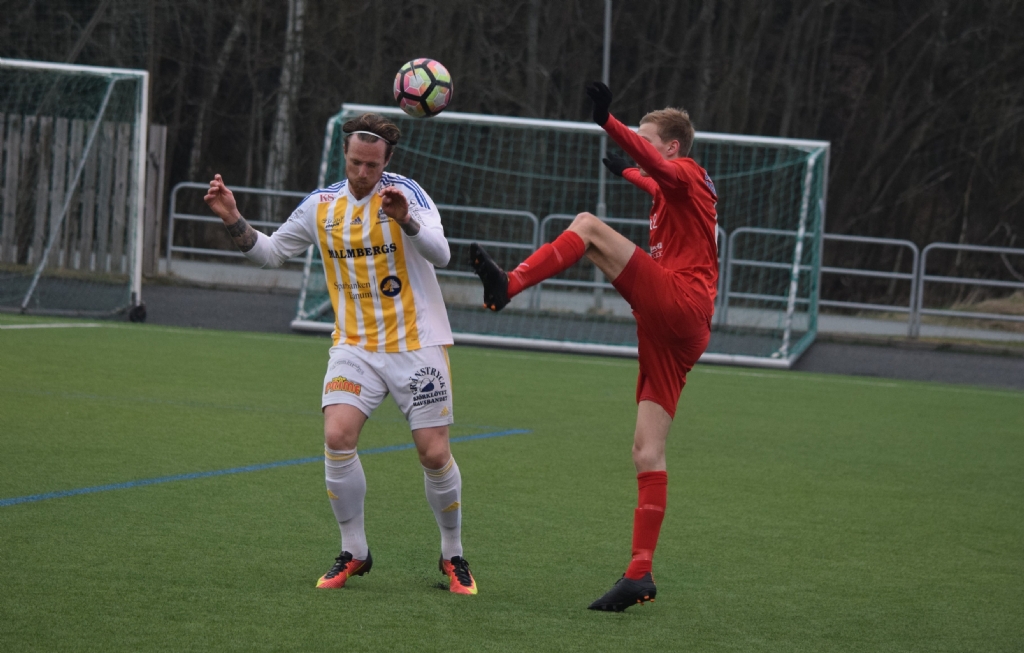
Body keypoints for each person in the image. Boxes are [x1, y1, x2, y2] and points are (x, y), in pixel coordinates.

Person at [204, 113, 477, 595]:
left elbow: (442, 254)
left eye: (372, 165)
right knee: (337, 435)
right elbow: (270, 253)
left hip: (417, 344)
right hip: (355, 345)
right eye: (355, 163)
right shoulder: (321, 205)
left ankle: (453, 554)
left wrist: (406, 220)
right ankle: (355, 551)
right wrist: (232, 217)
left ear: (387, 161)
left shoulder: (408, 194)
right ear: (344, 156)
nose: (363, 173)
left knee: (434, 453)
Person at [470, 83, 717, 611]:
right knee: (646, 451)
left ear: (672, 146)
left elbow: (659, 168)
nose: (642, 149)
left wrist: (609, 122)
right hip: (676, 331)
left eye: (648, 141)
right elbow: (650, 177)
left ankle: (510, 284)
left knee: (587, 227)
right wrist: (627, 172)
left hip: (680, 302)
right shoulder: (670, 191)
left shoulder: (687, 172)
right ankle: (639, 574)